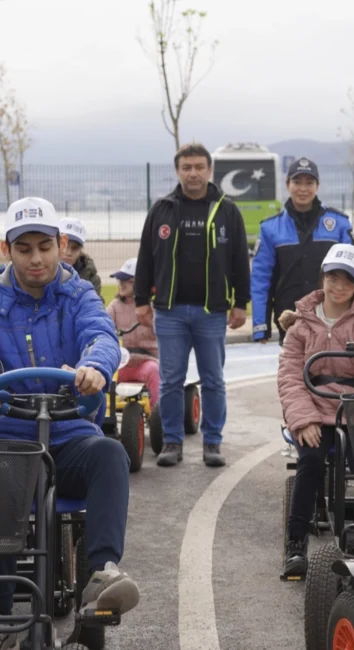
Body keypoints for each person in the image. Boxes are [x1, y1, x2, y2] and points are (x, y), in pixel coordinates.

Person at [0, 197, 139, 650]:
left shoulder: (80, 295)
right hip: (11, 435)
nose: (36, 258)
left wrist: (94, 366)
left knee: (111, 453)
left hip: (71, 431)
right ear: (7, 249)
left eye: (45, 247)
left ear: (61, 245)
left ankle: (101, 576)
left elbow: (100, 336)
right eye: (25, 248)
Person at [277, 244, 354, 577]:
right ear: (323, 277)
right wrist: (303, 420)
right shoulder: (302, 322)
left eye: (348, 280)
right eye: (333, 277)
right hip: (315, 403)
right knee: (311, 459)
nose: (339, 286)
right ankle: (295, 543)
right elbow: (289, 375)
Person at [134, 142, 251, 468]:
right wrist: (142, 300)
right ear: (178, 171)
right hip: (170, 312)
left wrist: (240, 303)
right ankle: (172, 442)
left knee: (213, 380)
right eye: (187, 167)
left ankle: (212, 442)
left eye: (199, 167)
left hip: (211, 312)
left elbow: (240, 260)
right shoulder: (162, 210)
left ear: (209, 170)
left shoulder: (227, 210)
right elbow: (146, 256)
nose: (193, 173)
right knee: (171, 380)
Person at [250, 157, 353, 344]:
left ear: (318, 185)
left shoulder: (338, 223)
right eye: (297, 182)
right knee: (293, 372)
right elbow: (260, 279)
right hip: (290, 318)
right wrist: (260, 326)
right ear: (287, 184)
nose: (303, 189)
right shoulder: (270, 228)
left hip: (335, 316)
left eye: (309, 182)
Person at [108, 257, 159, 406]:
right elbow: (104, 325)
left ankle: (158, 416)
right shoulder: (115, 306)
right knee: (102, 373)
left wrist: (151, 322)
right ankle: (102, 414)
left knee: (154, 371)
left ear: (140, 283)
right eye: (120, 280)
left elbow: (164, 331)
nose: (121, 284)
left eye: (126, 280)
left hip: (146, 361)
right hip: (122, 365)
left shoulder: (152, 307)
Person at [59, 217, 102, 297]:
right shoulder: (38, 272)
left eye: (75, 248)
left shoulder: (91, 278)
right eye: (64, 245)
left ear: (80, 251)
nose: (68, 253)